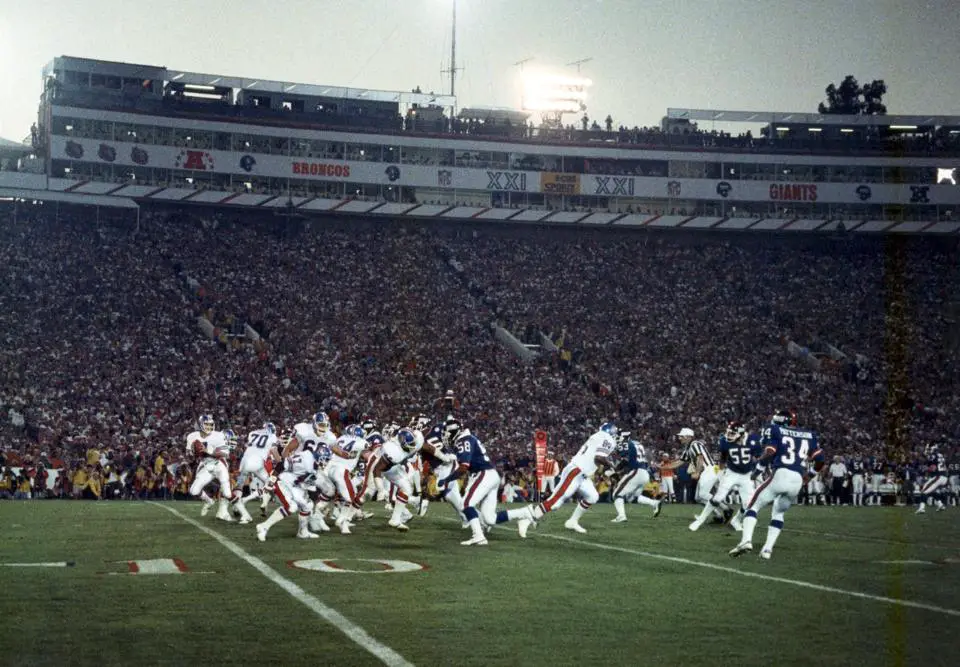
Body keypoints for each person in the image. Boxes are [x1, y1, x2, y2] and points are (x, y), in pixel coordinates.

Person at [730, 409, 824, 560]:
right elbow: (821, 461)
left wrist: (758, 470)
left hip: (781, 473)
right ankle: (767, 550)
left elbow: (770, 451)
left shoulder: (774, 429)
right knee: (779, 513)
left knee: (752, 506)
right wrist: (810, 475)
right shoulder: (809, 434)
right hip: (797, 479)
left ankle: (745, 541)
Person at [529, 422, 618, 534]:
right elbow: (599, 457)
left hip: (582, 474)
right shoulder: (607, 438)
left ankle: (572, 521)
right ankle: (528, 517)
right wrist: (611, 466)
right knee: (555, 502)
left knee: (593, 496)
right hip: (576, 471)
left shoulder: (597, 436)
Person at [689, 421, 758, 532]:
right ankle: (700, 520)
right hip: (731, 473)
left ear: (740, 434)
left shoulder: (753, 441)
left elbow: (758, 457)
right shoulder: (725, 442)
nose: (729, 436)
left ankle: (736, 520)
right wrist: (721, 474)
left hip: (746, 475)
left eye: (732, 433)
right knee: (717, 497)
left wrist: (757, 472)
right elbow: (723, 459)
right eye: (729, 433)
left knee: (749, 504)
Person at [235, 422, 281, 523]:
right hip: (257, 462)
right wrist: (281, 462)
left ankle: (237, 506)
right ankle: (243, 505)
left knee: (239, 485)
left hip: (245, 460)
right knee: (271, 484)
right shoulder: (272, 436)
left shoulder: (252, 433)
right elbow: (274, 451)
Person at [610, 436, 662, 522]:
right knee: (632, 497)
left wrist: (616, 470)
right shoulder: (637, 443)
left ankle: (621, 516)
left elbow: (626, 460)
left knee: (616, 494)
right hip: (644, 473)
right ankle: (654, 503)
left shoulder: (626, 443)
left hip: (636, 472)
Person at [916, 443, 948, 514]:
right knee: (932, 491)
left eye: (930, 449)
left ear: (933, 449)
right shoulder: (940, 455)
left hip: (938, 477)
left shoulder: (933, 456)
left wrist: (926, 469)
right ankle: (940, 505)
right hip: (944, 477)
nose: (929, 450)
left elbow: (933, 468)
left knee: (923, 491)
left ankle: (921, 508)